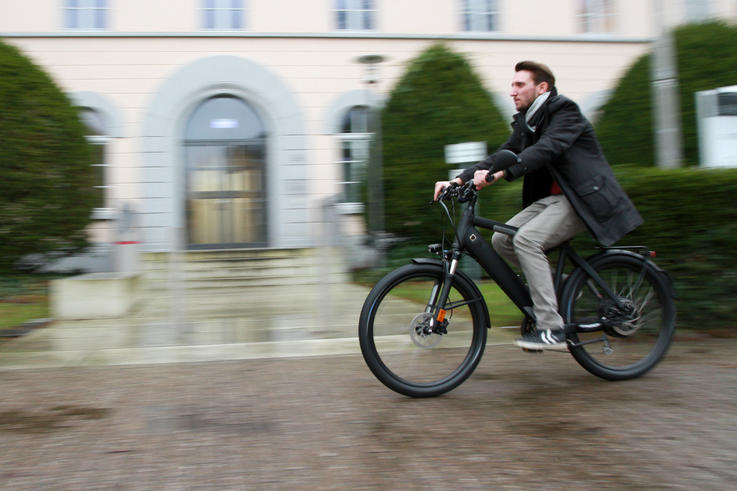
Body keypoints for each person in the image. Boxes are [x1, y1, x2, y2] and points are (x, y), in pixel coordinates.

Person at [433, 61, 642, 351]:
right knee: (503, 238)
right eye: (512, 85)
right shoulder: (528, 122)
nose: (512, 91)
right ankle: (565, 289)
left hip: (582, 199)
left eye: (519, 85)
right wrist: (456, 181)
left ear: (542, 87)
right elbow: (500, 155)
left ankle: (552, 329)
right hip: (556, 199)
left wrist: (502, 174)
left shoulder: (563, 111)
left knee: (527, 240)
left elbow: (547, 149)